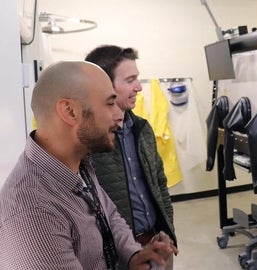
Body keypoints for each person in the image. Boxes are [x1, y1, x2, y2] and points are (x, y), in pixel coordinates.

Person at [0, 61, 177, 269]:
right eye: (110, 104)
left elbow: (107, 214)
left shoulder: (79, 163)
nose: (120, 116)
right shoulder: (33, 214)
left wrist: (132, 254)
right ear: (70, 111)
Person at [85, 45, 177, 269]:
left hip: (157, 241)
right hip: (119, 253)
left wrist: (168, 231)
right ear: (104, 85)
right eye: (130, 80)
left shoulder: (141, 128)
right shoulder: (89, 140)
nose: (138, 87)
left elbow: (160, 184)